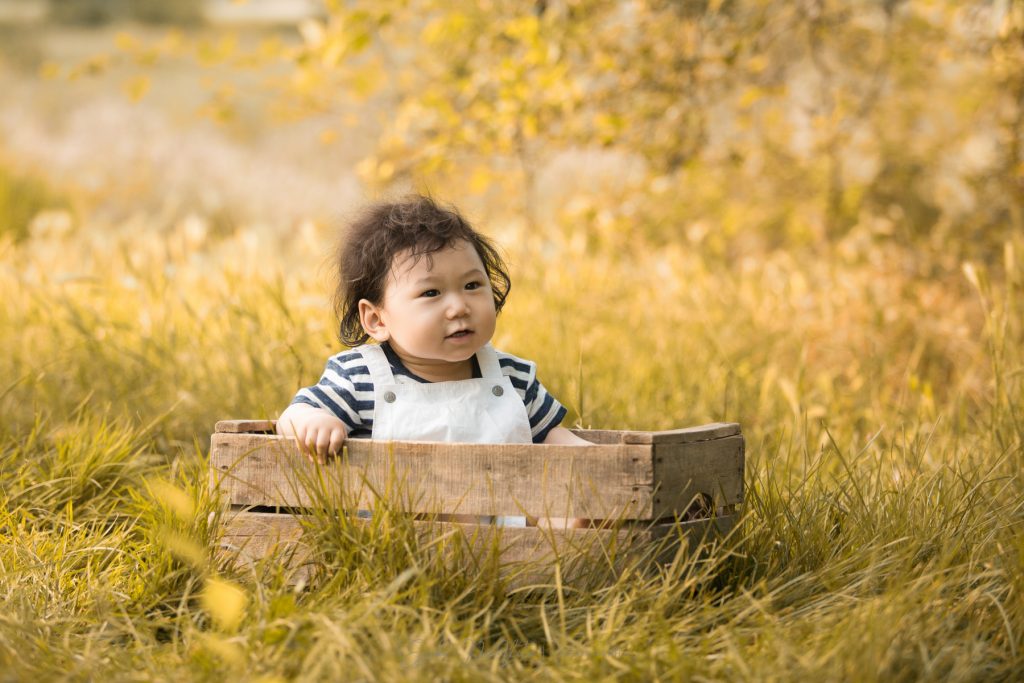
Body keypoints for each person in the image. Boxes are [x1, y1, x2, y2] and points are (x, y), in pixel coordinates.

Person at [276, 195, 591, 526]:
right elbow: (291, 417)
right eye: (431, 293)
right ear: (376, 320)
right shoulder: (361, 377)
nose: (459, 307)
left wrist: (591, 457)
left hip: (510, 544)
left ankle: (569, 543)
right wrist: (311, 422)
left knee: (567, 510)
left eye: (472, 285)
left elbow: (551, 438)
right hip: (403, 541)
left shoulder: (512, 377)